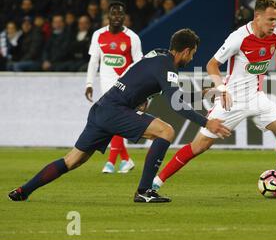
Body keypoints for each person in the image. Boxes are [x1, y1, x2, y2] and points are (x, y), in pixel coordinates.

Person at [8, 28, 231, 203]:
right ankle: (144, 191)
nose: (191, 59)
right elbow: (177, 105)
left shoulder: (158, 56)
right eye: (192, 54)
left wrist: (199, 93)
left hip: (103, 108)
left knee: (72, 160)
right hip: (116, 110)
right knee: (166, 131)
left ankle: (23, 191)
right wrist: (207, 122)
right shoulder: (166, 65)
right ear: (186, 50)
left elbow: (166, 91)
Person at [152, 0, 276, 192]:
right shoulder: (239, 38)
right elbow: (212, 65)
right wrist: (222, 89)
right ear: (258, 17)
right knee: (199, 146)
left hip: (256, 97)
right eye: (271, 19)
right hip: (231, 101)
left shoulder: (275, 36)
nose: (274, 24)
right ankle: (156, 182)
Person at [85, 1, 141, 174]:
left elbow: (139, 63)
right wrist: (89, 83)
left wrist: (141, 88)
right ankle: (125, 160)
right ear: (107, 16)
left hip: (125, 85)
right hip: (105, 84)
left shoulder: (132, 37)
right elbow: (94, 61)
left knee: (113, 118)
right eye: (114, 14)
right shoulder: (98, 35)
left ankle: (110, 162)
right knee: (113, 120)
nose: (117, 17)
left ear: (125, 17)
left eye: (120, 14)